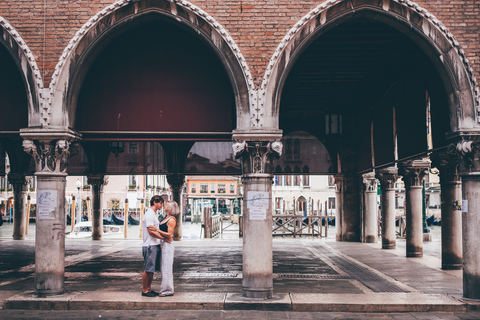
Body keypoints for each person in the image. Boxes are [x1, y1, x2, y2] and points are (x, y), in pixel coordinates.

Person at [148, 200, 179, 297]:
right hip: (163, 243)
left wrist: (157, 230)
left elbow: (169, 234)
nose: (164, 206)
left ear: (170, 208)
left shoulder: (171, 220)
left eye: (166, 205)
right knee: (163, 267)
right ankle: (164, 288)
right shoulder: (166, 218)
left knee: (166, 267)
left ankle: (168, 290)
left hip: (167, 245)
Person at [142, 195, 170, 297]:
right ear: (155, 202)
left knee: (151, 269)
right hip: (150, 245)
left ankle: (149, 288)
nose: (162, 205)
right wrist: (162, 238)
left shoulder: (153, 214)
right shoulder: (149, 214)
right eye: (161, 203)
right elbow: (151, 232)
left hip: (154, 244)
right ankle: (145, 290)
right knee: (148, 269)